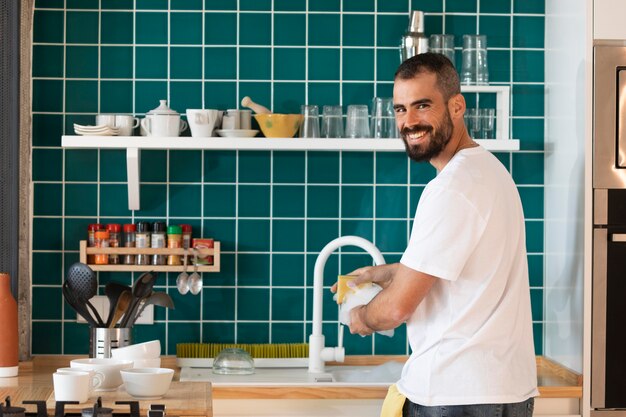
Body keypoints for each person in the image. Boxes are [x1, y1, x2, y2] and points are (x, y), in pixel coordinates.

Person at [336, 53, 538, 416]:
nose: (409, 122)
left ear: (457, 106)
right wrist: (379, 274)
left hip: (454, 394)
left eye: (422, 106)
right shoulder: (490, 172)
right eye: (400, 109)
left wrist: (362, 316)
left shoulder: (452, 187)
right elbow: (455, 273)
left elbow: (397, 307)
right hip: (504, 391)